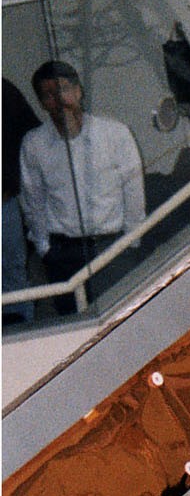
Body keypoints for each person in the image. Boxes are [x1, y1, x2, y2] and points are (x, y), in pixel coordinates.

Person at [18, 61, 145, 314]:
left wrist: (131, 241)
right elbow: (33, 200)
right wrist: (45, 249)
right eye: (49, 95)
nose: (60, 99)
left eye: (64, 89)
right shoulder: (34, 144)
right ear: (42, 103)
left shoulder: (114, 134)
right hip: (64, 257)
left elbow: (133, 190)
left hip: (113, 249)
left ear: (78, 91)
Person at [2, 77, 39, 323]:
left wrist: (9, 183)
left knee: (13, 277)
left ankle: (22, 338)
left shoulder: (3, 92)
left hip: (3, 204)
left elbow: (30, 138)